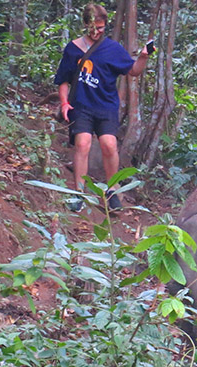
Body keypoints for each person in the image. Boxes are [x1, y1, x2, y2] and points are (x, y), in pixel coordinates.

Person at [54, 3, 149, 211]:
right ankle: (78, 193)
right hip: (81, 104)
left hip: (106, 106)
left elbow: (133, 71)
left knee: (108, 144)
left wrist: (142, 56)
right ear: (85, 25)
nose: (97, 32)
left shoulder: (112, 49)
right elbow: (63, 79)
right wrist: (64, 103)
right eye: (93, 28)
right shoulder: (73, 49)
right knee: (83, 143)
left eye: (101, 28)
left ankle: (112, 189)